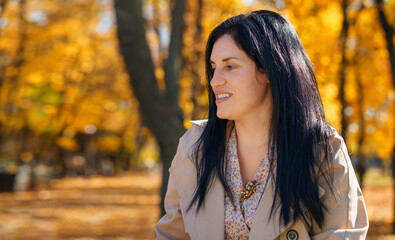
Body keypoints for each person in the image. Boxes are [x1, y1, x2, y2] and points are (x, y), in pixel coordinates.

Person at [155, 10, 369, 240]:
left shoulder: (321, 149)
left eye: (230, 66)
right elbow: (171, 234)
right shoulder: (194, 146)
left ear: (269, 70)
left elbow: (341, 234)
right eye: (213, 67)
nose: (215, 81)